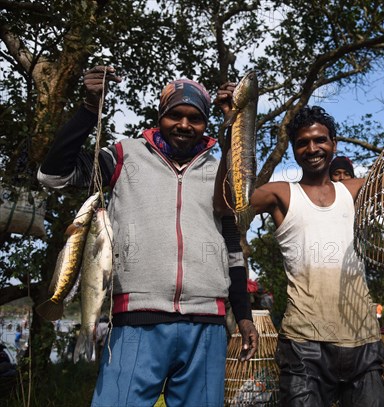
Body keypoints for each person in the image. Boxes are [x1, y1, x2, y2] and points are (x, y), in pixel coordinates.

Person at [37, 66, 258, 407]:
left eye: (195, 118)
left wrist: (243, 315)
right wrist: (88, 109)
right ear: (160, 117)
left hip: (207, 326)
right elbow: (53, 176)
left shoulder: (218, 170)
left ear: (205, 123)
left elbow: (232, 249)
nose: (184, 125)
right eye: (175, 115)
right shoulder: (125, 156)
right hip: (137, 321)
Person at [249, 105, 384, 406]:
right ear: (294, 150)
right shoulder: (281, 194)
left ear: (333, 144)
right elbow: (228, 206)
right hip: (304, 345)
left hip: (361, 339)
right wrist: (234, 125)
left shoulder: (356, 190)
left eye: (320, 140)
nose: (313, 148)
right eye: (302, 142)